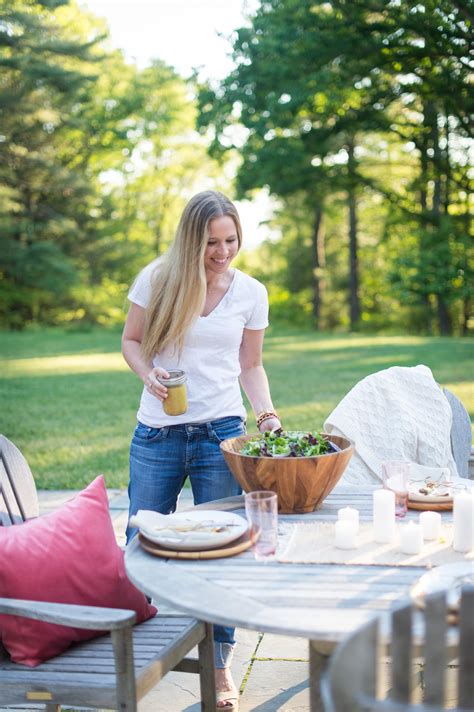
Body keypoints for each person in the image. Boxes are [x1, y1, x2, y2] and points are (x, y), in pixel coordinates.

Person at [122, 190, 280, 710]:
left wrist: (266, 416)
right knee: (141, 540)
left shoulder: (250, 292)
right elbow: (131, 340)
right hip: (158, 433)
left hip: (221, 432)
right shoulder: (158, 278)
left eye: (231, 239)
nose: (223, 251)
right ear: (192, 239)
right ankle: (128, 654)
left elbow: (250, 365)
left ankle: (219, 667)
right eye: (211, 241)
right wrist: (150, 377)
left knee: (224, 551)